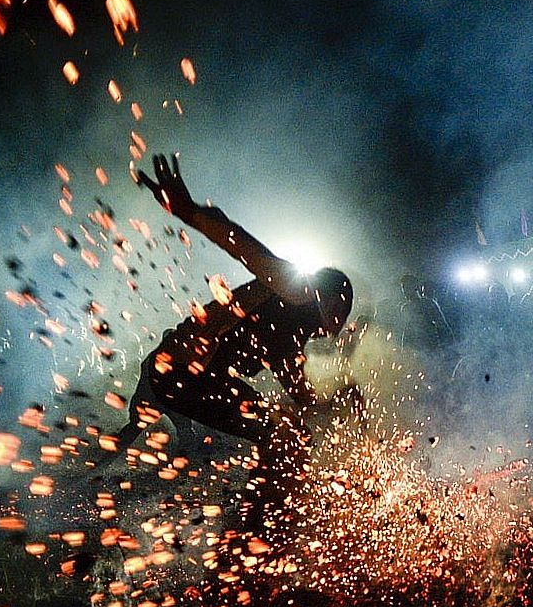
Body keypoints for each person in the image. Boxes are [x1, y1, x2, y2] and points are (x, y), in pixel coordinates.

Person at [100, 155, 354, 529]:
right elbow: (247, 249)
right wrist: (189, 213)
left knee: (287, 436)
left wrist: (336, 405)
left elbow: (301, 399)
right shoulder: (298, 289)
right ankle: (245, 543)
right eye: (341, 316)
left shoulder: (291, 329)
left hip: (182, 371)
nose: (337, 330)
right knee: (286, 439)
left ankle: (248, 537)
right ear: (331, 301)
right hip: (182, 371)